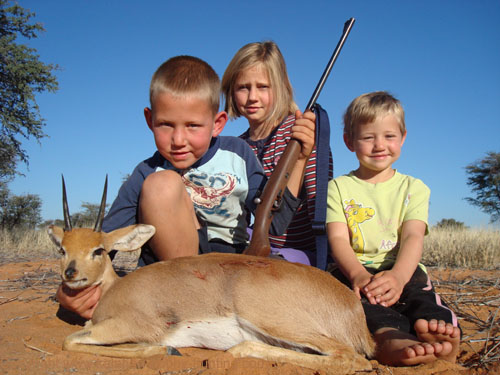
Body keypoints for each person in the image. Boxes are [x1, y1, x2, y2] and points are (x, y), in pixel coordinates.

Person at [56, 55, 316, 318]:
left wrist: (301, 160)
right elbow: (102, 242)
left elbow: (273, 224)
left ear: (218, 123)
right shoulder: (147, 172)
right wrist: (71, 293)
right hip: (174, 276)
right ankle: (191, 303)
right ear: (149, 120)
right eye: (166, 125)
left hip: (232, 267)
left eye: (193, 126)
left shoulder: (239, 153)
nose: (178, 140)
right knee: (162, 185)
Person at [326, 91, 461, 366]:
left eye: (389, 136)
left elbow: (412, 236)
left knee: (423, 300)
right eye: (367, 137)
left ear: (403, 137)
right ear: (349, 142)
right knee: (365, 307)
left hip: (404, 268)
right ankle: (390, 341)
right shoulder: (338, 187)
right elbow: (338, 238)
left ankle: (441, 336)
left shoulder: (415, 188)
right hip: (356, 270)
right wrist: (358, 275)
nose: (379, 145)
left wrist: (399, 277)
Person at [221, 41, 333, 265]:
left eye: (263, 87)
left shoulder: (302, 131)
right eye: (243, 87)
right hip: (254, 242)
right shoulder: (237, 147)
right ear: (231, 91)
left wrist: (301, 157)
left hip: (302, 252)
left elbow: (319, 205)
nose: (252, 97)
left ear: (281, 87)